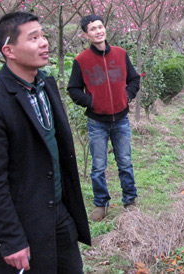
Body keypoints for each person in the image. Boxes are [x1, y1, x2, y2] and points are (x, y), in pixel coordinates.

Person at [0, 11, 91, 273]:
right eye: (33, 38)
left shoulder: (46, 85)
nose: (44, 42)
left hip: (59, 214)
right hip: (24, 222)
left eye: (43, 35)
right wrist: (11, 238)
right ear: (9, 50)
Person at [68, 14, 140, 222]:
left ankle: (130, 200)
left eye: (100, 27)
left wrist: (126, 96)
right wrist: (92, 102)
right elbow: (73, 89)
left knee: (125, 161)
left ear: (105, 29)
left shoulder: (120, 54)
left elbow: (134, 79)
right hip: (97, 121)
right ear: (86, 35)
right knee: (98, 165)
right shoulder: (81, 61)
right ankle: (101, 204)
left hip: (121, 119)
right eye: (93, 29)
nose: (98, 31)